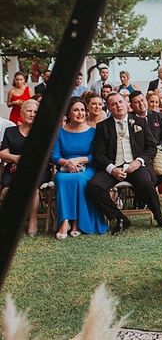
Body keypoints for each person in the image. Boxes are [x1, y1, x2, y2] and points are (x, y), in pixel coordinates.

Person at [86, 92, 162, 235]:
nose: (118, 106)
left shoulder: (140, 122)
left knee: (146, 183)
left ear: (126, 104)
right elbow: (99, 154)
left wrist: (138, 162)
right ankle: (120, 218)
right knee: (93, 187)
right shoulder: (103, 126)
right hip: (114, 167)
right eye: (113, 104)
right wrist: (112, 169)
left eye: (120, 102)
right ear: (108, 107)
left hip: (135, 166)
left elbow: (151, 147)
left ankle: (159, 217)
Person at [51, 98, 108, 238]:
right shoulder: (59, 133)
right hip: (65, 168)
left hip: (87, 168)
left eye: (82, 110)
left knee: (78, 179)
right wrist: (68, 163)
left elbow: (96, 155)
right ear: (68, 113)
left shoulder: (93, 132)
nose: (80, 113)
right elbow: (54, 156)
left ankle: (76, 222)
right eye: (75, 110)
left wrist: (79, 160)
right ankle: (65, 221)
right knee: (62, 179)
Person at [0, 100, 42, 236]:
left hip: (36, 171)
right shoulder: (10, 131)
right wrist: (16, 159)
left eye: (35, 112)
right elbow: (3, 153)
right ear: (22, 114)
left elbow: (44, 156)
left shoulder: (42, 133)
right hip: (12, 170)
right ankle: (12, 222)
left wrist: (24, 165)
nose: (32, 114)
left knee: (33, 189)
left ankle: (33, 220)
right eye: (29, 111)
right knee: (6, 191)